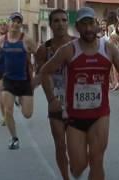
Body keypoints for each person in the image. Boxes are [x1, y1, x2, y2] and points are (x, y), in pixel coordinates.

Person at [40, 7, 119, 179]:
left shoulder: (109, 49)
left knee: (97, 160)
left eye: (91, 23)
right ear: (78, 27)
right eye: (84, 24)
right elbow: (45, 71)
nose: (88, 29)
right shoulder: (68, 50)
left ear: (97, 25)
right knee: (78, 167)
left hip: (100, 115)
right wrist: (51, 99)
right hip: (74, 116)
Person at [35, 9, 75, 180]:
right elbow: (42, 76)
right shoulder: (44, 49)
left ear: (68, 23)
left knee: (75, 146)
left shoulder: (78, 44)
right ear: (50, 25)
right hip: (56, 101)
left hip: (77, 103)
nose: (60, 24)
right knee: (60, 144)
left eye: (64, 20)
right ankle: (66, 177)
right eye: (56, 21)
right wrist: (51, 98)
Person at [0, 12, 36, 150]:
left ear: (21, 25)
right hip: (8, 81)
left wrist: (36, 73)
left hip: (24, 81)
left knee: (27, 114)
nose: (15, 24)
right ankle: (14, 138)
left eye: (18, 22)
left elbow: (38, 54)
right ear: (9, 23)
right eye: (13, 21)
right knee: (8, 110)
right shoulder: (1, 41)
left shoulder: (27, 40)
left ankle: (20, 98)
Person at [0, 19, 8, 126]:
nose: (2, 26)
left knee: (7, 94)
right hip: (0, 70)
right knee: (1, 95)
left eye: (4, 24)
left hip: (11, 69)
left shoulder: (12, 38)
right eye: (0, 25)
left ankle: (7, 115)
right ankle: (5, 117)